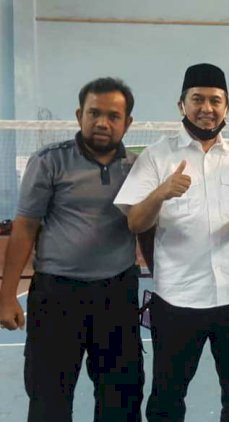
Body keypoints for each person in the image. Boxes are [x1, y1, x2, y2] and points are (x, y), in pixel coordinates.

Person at [114, 63, 229, 421]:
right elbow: (135, 222)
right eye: (197, 99)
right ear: (181, 105)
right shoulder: (157, 156)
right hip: (178, 301)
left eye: (215, 100)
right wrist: (161, 193)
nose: (206, 108)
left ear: (227, 108)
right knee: (167, 400)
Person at [0, 77, 143, 421]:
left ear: (127, 123)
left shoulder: (138, 167)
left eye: (113, 116)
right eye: (94, 113)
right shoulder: (49, 161)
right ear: (80, 115)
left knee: (121, 399)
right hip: (57, 296)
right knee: (49, 398)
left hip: (117, 295)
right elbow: (25, 228)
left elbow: (148, 228)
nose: (102, 122)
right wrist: (6, 297)